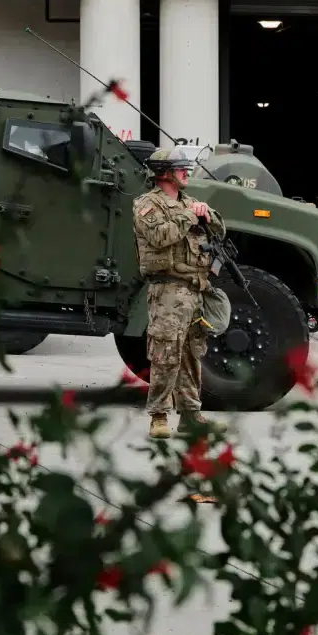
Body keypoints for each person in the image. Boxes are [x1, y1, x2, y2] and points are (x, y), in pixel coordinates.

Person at [133, 145, 229, 440]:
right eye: (180, 168)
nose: (187, 172)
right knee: (165, 354)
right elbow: (161, 236)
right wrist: (190, 214)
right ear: (164, 173)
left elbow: (220, 231)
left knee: (191, 355)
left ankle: (190, 415)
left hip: (196, 289)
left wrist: (207, 214)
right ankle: (159, 416)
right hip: (169, 291)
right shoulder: (147, 205)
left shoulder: (190, 201)